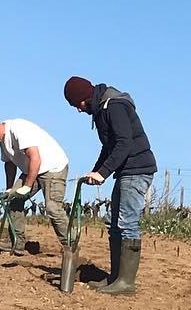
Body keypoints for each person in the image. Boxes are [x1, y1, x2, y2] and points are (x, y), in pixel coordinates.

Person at [62, 77, 157, 295]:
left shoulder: (114, 106)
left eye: (77, 104)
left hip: (137, 169)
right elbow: (109, 147)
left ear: (84, 97)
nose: (78, 110)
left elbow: (124, 143)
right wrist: (95, 170)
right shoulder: (102, 110)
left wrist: (103, 173)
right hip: (125, 171)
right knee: (113, 223)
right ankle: (115, 277)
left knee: (126, 223)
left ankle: (126, 283)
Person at [0, 116, 71, 258]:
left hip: (52, 168)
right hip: (31, 169)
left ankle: (70, 246)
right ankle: (17, 243)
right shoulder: (1, 140)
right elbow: (9, 163)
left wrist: (27, 186)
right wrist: (9, 188)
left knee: (53, 208)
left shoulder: (18, 130)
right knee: (13, 200)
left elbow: (35, 159)